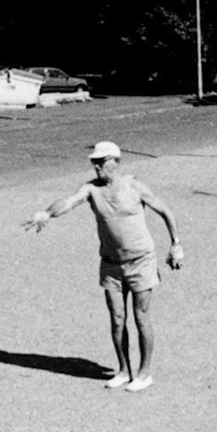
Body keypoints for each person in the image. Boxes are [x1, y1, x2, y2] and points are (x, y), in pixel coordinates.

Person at [24, 141, 181, 391]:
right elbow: (68, 202)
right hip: (111, 264)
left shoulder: (134, 185)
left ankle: (144, 373)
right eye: (93, 162)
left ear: (115, 162)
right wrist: (46, 214)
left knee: (141, 317)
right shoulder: (91, 189)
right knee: (117, 319)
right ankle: (123, 370)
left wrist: (175, 244)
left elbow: (164, 210)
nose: (96, 166)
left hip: (141, 261)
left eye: (101, 161)